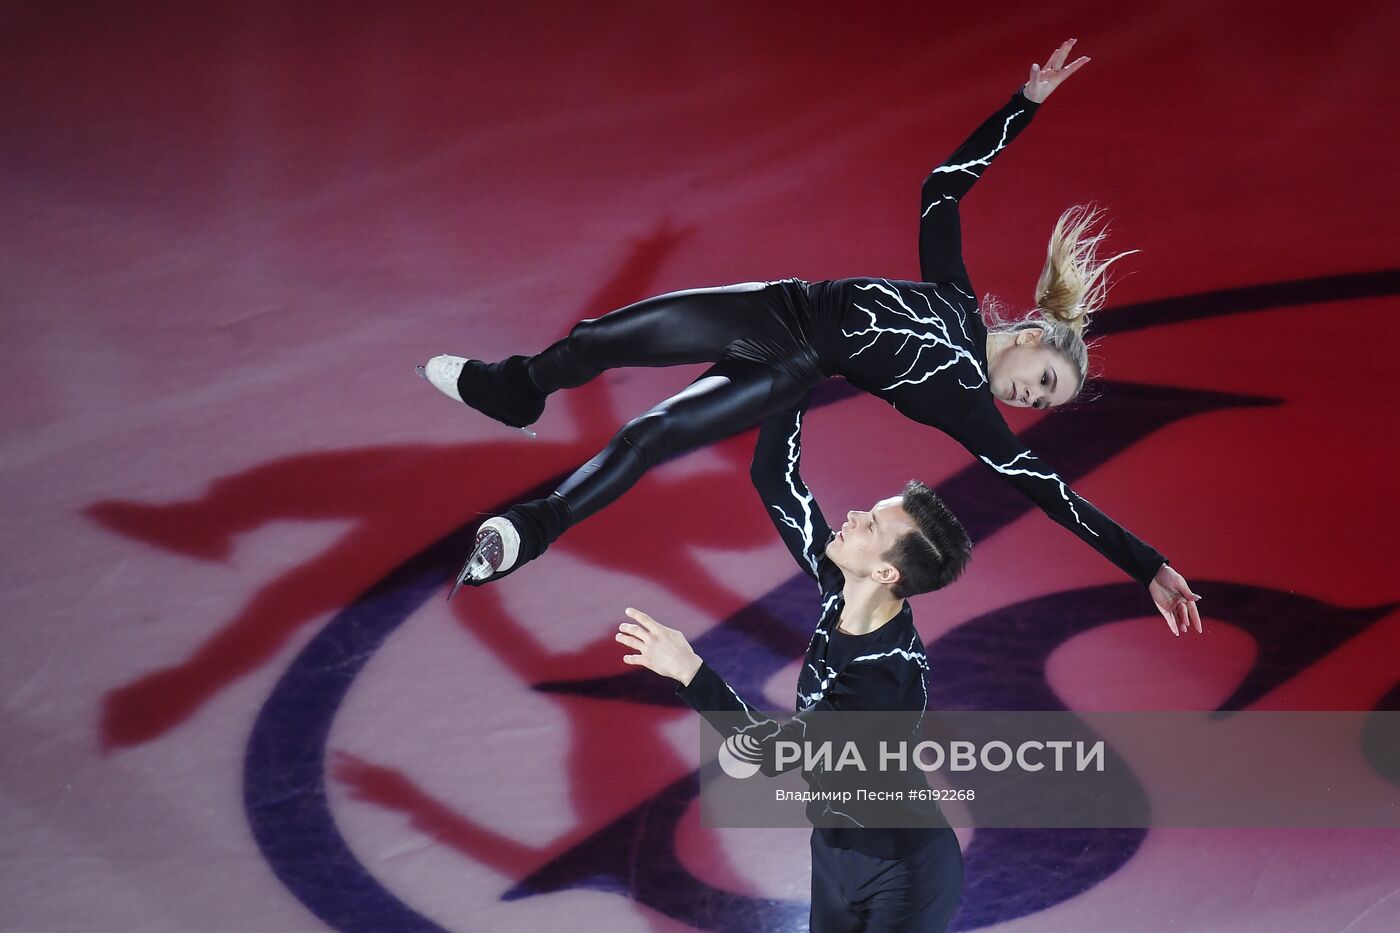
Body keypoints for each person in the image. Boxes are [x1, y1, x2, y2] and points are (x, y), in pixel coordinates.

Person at [424, 38, 1203, 636]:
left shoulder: (970, 410)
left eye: (1040, 403)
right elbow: (942, 188)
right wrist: (1024, 102)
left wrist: (1149, 566)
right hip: (772, 305)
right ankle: (513, 389)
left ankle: (530, 529)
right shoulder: (953, 295)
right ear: (1033, 332)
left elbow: (1058, 498)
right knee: (595, 340)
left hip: (792, 366)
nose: (1027, 397)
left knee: (649, 434)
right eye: (1042, 380)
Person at [618, 400, 972, 931]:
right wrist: (791, 376)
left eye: (871, 525)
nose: (852, 516)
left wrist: (689, 670)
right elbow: (775, 479)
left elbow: (771, 753)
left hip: (906, 872)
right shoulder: (842, 590)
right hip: (833, 852)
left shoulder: (884, 677)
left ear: (884, 573)